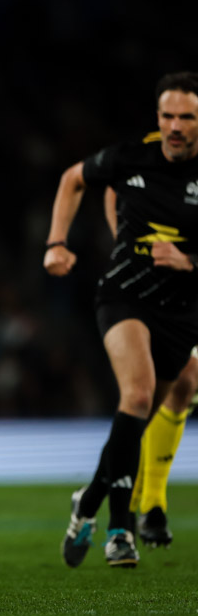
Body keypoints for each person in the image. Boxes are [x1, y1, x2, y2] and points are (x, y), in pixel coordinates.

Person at [46, 71, 198, 569]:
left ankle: (86, 502)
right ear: (158, 117)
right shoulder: (131, 155)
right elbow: (74, 179)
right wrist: (56, 243)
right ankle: (119, 529)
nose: (175, 126)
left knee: (136, 421)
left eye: (187, 117)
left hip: (183, 309)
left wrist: (190, 262)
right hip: (125, 295)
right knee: (135, 395)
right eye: (168, 116)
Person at [104, 186, 196, 548]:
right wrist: (123, 241)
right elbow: (109, 184)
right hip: (162, 288)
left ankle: (132, 493)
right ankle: (150, 501)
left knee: (185, 384)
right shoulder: (153, 154)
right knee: (179, 379)